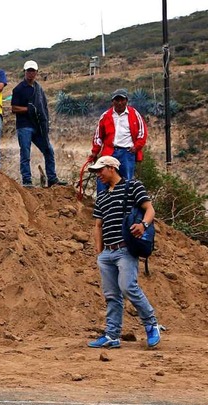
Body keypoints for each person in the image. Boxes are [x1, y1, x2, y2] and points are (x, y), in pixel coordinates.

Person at [87, 156, 161, 350]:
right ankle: (112, 335)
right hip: (107, 253)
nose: (98, 175)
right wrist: (99, 252)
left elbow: (149, 209)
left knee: (128, 287)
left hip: (125, 249)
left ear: (111, 168)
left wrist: (144, 225)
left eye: (100, 170)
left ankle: (151, 324)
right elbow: (98, 225)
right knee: (112, 295)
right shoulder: (101, 196)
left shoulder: (132, 186)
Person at [11, 60, 67, 188]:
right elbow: (14, 108)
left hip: (38, 126)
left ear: (36, 72)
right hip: (24, 125)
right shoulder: (18, 89)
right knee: (25, 153)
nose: (31, 73)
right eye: (28, 71)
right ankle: (27, 180)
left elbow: (44, 107)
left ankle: (52, 178)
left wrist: (45, 123)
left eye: (33, 71)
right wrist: (28, 109)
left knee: (49, 150)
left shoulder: (39, 89)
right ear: (24, 72)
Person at [89, 88, 148, 193]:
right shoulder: (106, 116)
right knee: (102, 177)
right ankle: (102, 203)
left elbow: (142, 133)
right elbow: (98, 136)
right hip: (109, 152)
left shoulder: (134, 114)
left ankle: (124, 206)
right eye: (117, 100)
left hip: (127, 152)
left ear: (126, 100)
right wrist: (94, 152)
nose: (120, 103)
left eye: (122, 100)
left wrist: (136, 147)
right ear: (113, 102)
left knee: (126, 181)